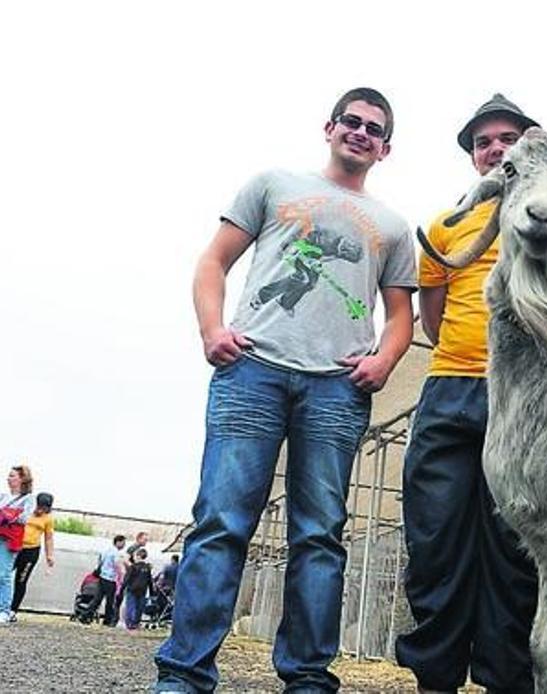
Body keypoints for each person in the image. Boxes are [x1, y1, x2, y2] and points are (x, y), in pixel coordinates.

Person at [155, 86, 417, 694]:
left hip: (335, 390)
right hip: (253, 372)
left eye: (373, 128)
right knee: (221, 523)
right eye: (351, 121)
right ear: (329, 127)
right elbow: (213, 261)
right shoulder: (273, 184)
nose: (360, 132)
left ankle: (306, 679)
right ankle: (184, 676)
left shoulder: (393, 226)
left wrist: (385, 359)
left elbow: (400, 313)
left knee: (320, 536)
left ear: (386, 147)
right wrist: (211, 329)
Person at [395, 93, 541, 694]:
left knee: (517, 549)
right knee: (436, 539)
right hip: (452, 390)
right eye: (485, 141)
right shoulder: (443, 227)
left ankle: (509, 679)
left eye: (509, 138)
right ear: (473, 157)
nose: (496, 148)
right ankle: (436, 678)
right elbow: (432, 319)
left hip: (528, 400)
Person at [0, 465, 37, 623]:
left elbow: (24, 518)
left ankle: (4, 610)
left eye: (13, 476)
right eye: (9, 476)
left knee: (4, 574)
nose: (9, 478)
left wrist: (8, 514)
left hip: (10, 539)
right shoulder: (3, 497)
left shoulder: (28, 498)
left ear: (22, 479)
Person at [10, 491, 55, 615]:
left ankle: (13, 610)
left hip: (31, 552)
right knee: (4, 576)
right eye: (39, 507)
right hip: (15, 548)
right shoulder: (25, 511)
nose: (41, 510)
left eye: (44, 508)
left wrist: (49, 556)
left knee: (21, 580)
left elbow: (48, 538)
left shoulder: (48, 519)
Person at [94, 534, 127, 627]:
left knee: (98, 598)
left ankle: (86, 615)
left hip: (102, 576)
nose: (124, 546)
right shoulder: (116, 553)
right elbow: (117, 564)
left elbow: (100, 561)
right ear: (118, 542)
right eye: (123, 543)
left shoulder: (106, 550)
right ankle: (107, 620)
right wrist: (121, 574)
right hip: (110, 578)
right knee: (110, 600)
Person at [124, 548, 152, 631]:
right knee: (139, 607)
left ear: (138, 556)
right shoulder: (147, 568)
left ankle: (130, 623)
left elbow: (127, 579)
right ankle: (136, 622)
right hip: (143, 590)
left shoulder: (133, 567)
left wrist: (121, 589)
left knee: (131, 606)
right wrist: (152, 592)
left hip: (132, 589)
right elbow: (149, 581)